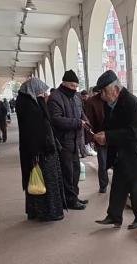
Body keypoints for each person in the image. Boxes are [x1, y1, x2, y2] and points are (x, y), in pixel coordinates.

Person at [92, 70, 137, 230]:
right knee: (118, 185)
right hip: (122, 151)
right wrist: (102, 133)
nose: (102, 96)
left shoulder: (133, 104)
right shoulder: (110, 103)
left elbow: (133, 132)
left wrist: (108, 136)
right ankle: (114, 216)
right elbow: (110, 124)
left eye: (104, 92)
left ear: (116, 90)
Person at [16, 78, 65, 221]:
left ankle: (38, 211)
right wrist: (37, 153)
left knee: (39, 181)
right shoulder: (30, 106)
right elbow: (35, 131)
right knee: (46, 181)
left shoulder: (28, 102)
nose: (44, 94)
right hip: (41, 152)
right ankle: (49, 212)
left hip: (39, 151)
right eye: (41, 91)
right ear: (33, 90)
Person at [48, 70, 89, 210]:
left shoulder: (76, 97)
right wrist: (77, 123)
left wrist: (86, 121)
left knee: (76, 171)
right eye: (72, 85)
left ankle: (74, 196)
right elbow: (56, 119)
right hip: (63, 142)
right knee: (67, 173)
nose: (74, 89)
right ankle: (70, 200)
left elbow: (81, 112)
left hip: (75, 140)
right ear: (64, 83)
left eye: (76, 86)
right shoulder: (55, 98)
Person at [83, 87, 109, 193]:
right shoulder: (91, 102)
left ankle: (118, 186)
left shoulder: (114, 98)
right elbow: (89, 122)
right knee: (103, 163)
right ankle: (103, 186)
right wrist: (92, 137)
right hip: (100, 137)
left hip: (114, 136)